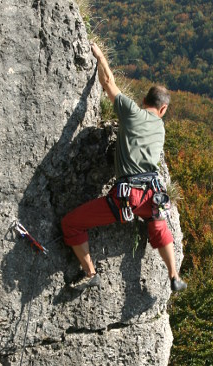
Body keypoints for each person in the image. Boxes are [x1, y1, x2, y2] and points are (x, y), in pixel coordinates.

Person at [61, 43, 187, 292]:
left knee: (71, 224)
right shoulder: (160, 127)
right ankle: (174, 275)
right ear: (163, 110)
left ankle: (90, 273)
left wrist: (99, 55)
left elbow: (108, 81)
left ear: (143, 100)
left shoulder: (131, 112)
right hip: (153, 194)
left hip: (127, 196)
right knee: (158, 225)